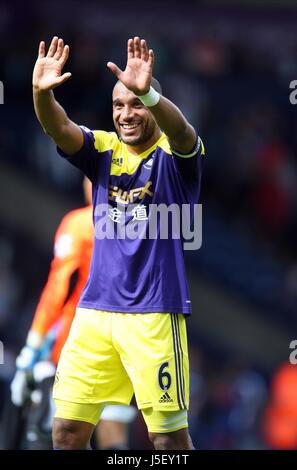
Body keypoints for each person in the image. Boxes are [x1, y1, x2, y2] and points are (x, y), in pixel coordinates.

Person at [32, 35, 205, 450]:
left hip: (153, 316)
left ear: (152, 107)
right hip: (94, 315)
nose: (126, 115)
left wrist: (148, 90)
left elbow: (182, 132)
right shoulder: (102, 150)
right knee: (67, 431)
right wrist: (41, 96)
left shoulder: (174, 157)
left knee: (166, 442)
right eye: (118, 106)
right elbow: (59, 126)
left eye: (136, 105)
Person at [10, 177, 136, 450]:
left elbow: (59, 287)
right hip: (126, 347)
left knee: (54, 432)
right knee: (112, 433)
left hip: (77, 344)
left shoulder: (81, 224)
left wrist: (34, 343)